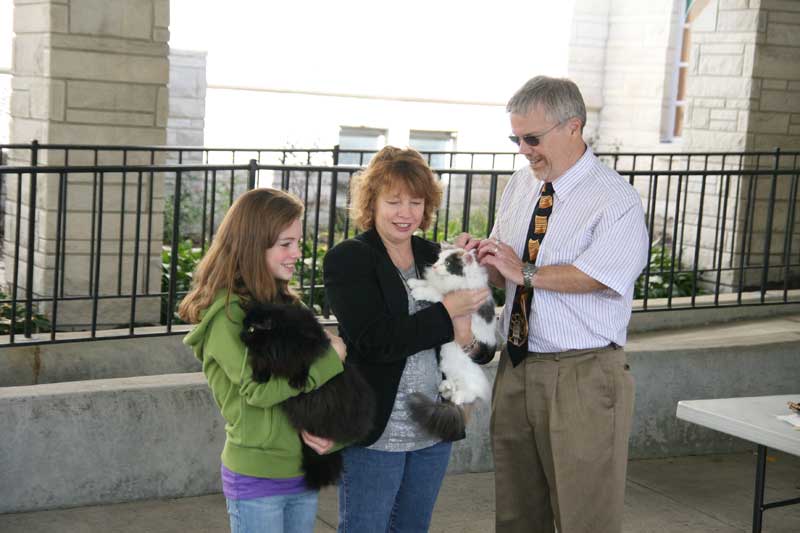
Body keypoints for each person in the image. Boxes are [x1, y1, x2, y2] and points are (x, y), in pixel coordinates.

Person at [458, 76, 649, 533]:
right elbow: (505, 272)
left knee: (585, 516)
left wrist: (522, 269)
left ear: (573, 127)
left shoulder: (614, 199)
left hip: (582, 372)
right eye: (516, 138)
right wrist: (475, 261)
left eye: (532, 138)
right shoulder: (523, 186)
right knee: (518, 514)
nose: (524, 149)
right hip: (519, 365)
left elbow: (599, 276)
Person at [323, 146, 490, 532]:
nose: (405, 212)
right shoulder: (349, 258)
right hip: (378, 430)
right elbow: (375, 341)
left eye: (416, 201)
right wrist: (448, 312)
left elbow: (483, 348)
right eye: (394, 201)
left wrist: (465, 335)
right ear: (372, 202)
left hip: (434, 429)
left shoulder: (437, 255)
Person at [180, 188, 347, 533]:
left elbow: (328, 394)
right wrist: (331, 359)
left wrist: (333, 438)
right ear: (253, 246)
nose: (297, 254)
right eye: (286, 244)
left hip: (302, 473)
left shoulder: (290, 306)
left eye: (298, 243)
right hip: (256, 480)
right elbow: (260, 390)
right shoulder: (226, 318)